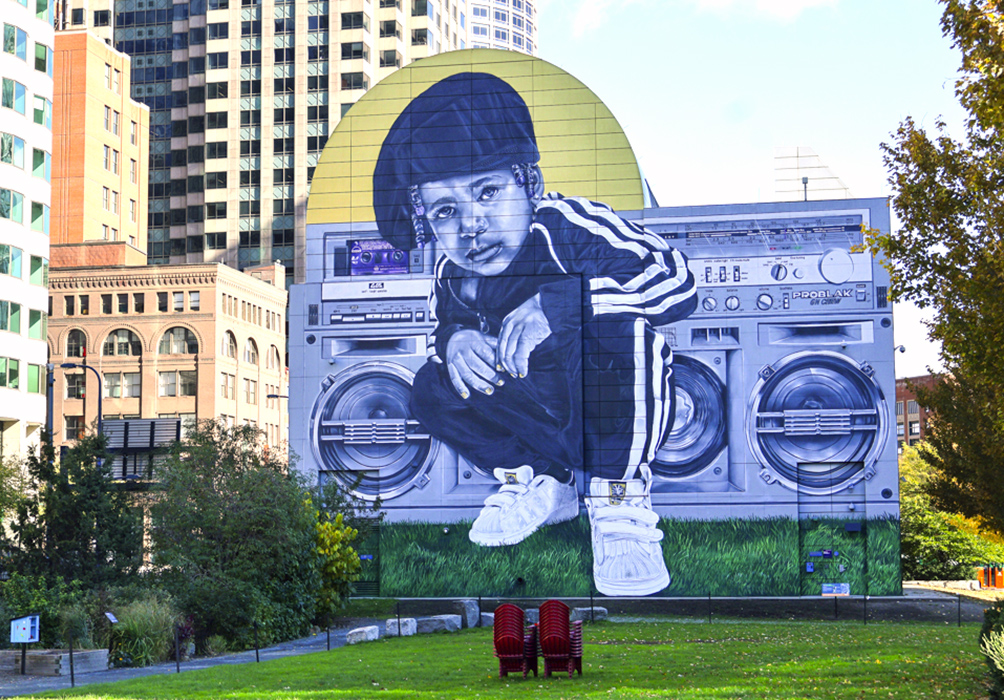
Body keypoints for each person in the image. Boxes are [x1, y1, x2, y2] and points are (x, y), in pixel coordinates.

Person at [372, 72, 697, 596]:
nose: (471, 225)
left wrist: (562, 302)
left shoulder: (570, 226)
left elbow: (678, 282)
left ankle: (619, 501)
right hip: (534, 416)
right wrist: (454, 342)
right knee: (432, 384)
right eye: (446, 211)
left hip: (601, 405)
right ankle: (545, 479)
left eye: (488, 192)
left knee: (627, 332)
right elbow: (445, 326)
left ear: (531, 184)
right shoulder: (452, 273)